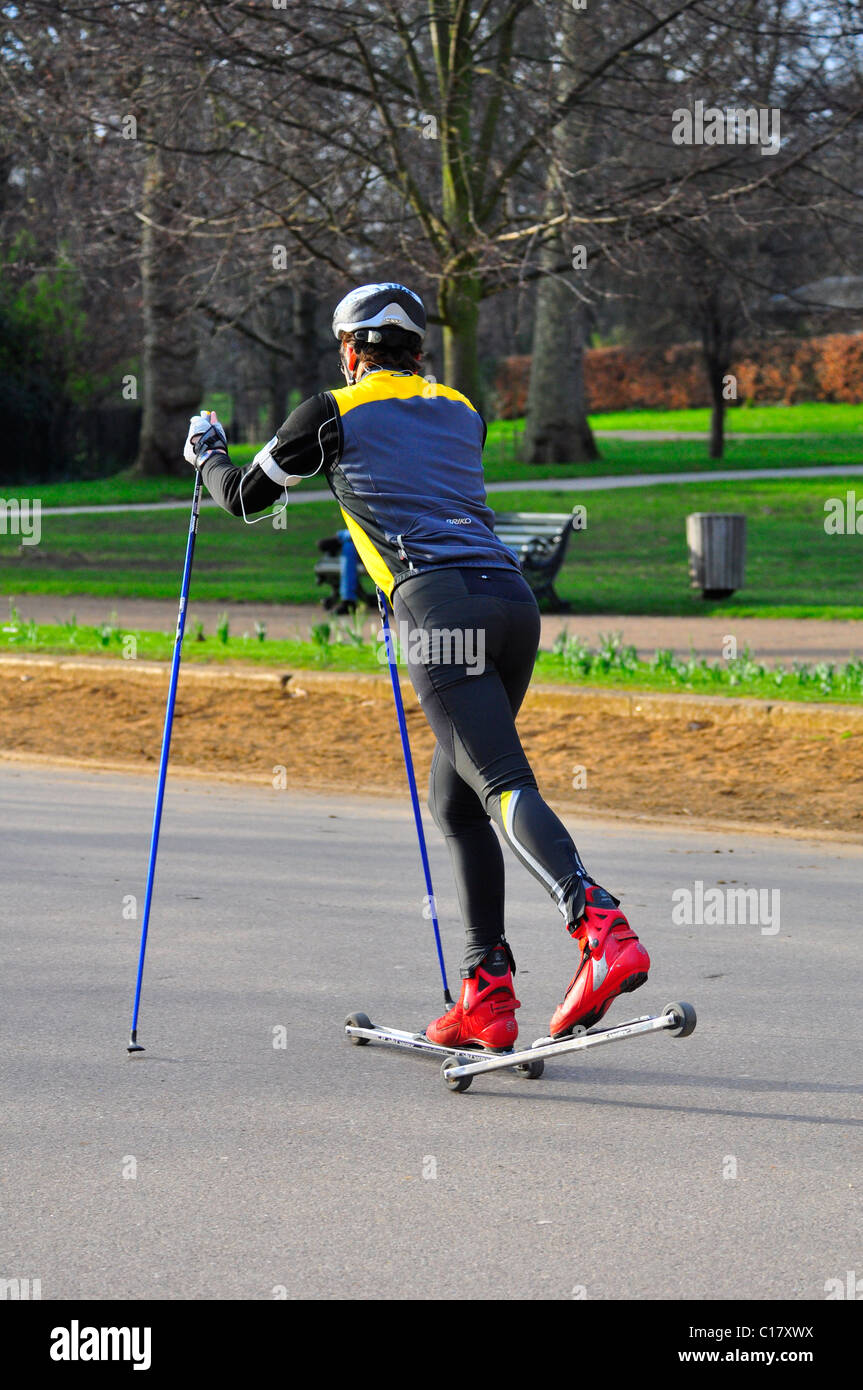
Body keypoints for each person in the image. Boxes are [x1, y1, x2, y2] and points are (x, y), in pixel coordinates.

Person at [184, 282, 650, 1050]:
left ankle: (599, 926)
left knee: (499, 785)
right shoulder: (463, 409)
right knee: (459, 800)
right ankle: (486, 995)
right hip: (510, 605)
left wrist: (207, 455)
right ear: (418, 350)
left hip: (440, 614)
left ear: (348, 348)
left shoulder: (329, 413)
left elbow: (243, 499)